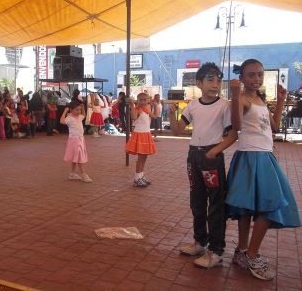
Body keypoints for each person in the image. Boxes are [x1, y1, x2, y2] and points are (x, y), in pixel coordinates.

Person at [224, 59, 301, 280]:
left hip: (265, 156)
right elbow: (236, 126)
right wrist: (236, 95)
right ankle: (249, 252)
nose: (256, 79)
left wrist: (282, 100)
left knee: (254, 207)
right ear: (241, 78)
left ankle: (244, 251)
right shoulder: (241, 98)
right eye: (251, 75)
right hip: (251, 156)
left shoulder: (259, 98)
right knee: (264, 206)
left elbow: (275, 126)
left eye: (259, 74)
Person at [169, 62, 233, 268]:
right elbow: (178, 131)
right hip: (193, 156)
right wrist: (172, 114)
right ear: (199, 83)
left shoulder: (225, 105)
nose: (216, 84)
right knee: (196, 201)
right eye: (210, 79)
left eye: (219, 80)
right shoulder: (193, 106)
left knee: (215, 204)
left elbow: (233, 134)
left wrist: (215, 151)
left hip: (211, 156)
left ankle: (216, 250)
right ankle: (200, 242)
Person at [125, 92, 158, 188]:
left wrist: (155, 105)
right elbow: (134, 117)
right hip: (139, 135)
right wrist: (132, 105)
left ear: (148, 100)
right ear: (138, 101)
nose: (143, 101)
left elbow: (155, 116)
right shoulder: (138, 109)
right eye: (141, 100)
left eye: (145, 99)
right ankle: (137, 178)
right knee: (140, 158)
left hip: (146, 134)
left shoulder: (147, 109)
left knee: (144, 157)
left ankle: (140, 175)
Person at [60, 101, 92, 183]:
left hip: (80, 139)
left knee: (76, 157)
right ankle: (83, 174)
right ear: (71, 110)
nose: (79, 111)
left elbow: (84, 115)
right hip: (74, 140)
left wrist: (83, 108)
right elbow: (62, 121)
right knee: (79, 157)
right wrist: (65, 111)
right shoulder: (69, 118)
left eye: (79, 110)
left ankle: (72, 173)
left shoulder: (79, 117)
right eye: (77, 110)